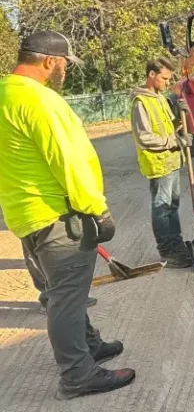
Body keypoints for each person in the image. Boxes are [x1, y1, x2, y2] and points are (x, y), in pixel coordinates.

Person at [0, 31, 135, 399]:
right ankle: (77, 374)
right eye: (62, 63)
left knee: (61, 292)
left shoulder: (5, 94)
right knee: (65, 299)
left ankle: (89, 344)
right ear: (48, 61)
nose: (63, 70)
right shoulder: (41, 100)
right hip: (56, 216)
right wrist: (95, 208)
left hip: (24, 214)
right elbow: (69, 159)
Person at [130, 58, 192, 268]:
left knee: (172, 205)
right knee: (162, 207)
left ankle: (176, 243)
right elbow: (144, 137)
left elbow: (170, 128)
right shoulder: (141, 103)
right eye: (164, 78)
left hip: (172, 160)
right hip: (158, 163)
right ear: (152, 75)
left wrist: (181, 118)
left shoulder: (161, 99)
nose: (167, 82)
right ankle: (167, 250)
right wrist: (173, 141)